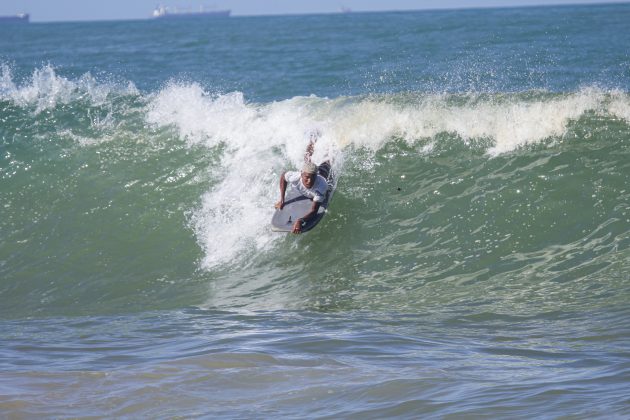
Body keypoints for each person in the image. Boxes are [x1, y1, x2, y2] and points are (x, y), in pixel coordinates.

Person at [275, 161, 328, 234]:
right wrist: (282, 200)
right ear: (301, 174)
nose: (309, 181)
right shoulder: (295, 177)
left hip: (324, 173)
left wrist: (301, 220)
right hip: (313, 173)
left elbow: (314, 211)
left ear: (316, 176)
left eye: (313, 178)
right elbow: (283, 176)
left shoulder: (321, 186)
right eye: (307, 177)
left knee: (327, 165)